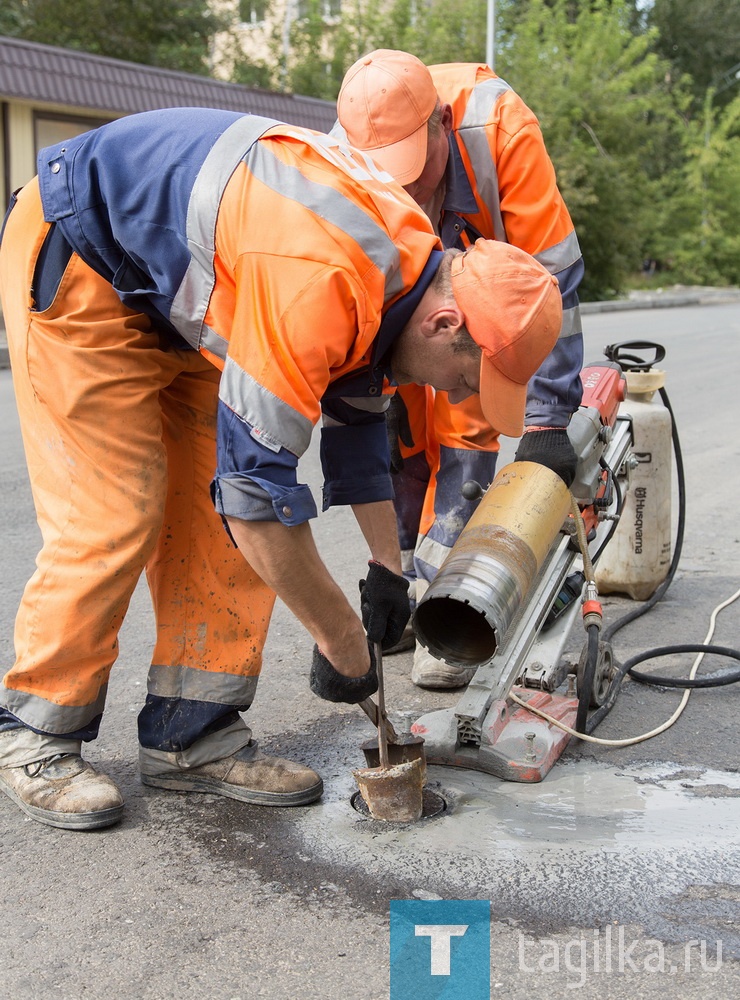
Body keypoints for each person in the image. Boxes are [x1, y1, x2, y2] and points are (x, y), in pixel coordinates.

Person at [0, 107, 562, 831]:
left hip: (192, 291)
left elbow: (358, 420)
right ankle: (34, 734)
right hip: (82, 258)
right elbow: (257, 501)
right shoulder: (321, 276)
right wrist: (343, 641)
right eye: (466, 380)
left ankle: (190, 734)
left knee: (216, 519)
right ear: (446, 324)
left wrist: (386, 569)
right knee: (120, 513)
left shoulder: (407, 270)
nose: (457, 397)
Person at [334, 50, 585, 688]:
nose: (410, 193)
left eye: (417, 173)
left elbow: (547, 283)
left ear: (442, 127)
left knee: (468, 417)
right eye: (394, 180)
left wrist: (549, 416)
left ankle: (444, 608)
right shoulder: (343, 153)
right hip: (409, 309)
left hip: (481, 300)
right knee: (402, 432)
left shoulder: (498, 129)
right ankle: (405, 594)